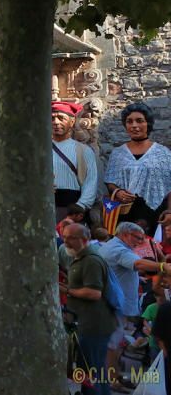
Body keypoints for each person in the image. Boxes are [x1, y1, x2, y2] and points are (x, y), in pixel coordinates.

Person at [99, 221, 167, 391]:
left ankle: (115, 377)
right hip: (113, 305)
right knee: (112, 343)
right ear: (125, 234)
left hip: (114, 304)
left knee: (115, 341)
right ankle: (112, 381)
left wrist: (159, 261)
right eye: (137, 238)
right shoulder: (118, 249)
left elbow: (138, 268)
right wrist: (163, 266)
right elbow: (138, 264)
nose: (139, 242)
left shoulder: (117, 247)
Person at [60, 223, 115, 395]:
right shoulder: (80, 258)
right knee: (92, 371)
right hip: (85, 324)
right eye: (64, 236)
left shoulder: (91, 260)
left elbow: (94, 293)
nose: (65, 241)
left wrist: (67, 290)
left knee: (91, 373)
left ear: (84, 239)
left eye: (70, 238)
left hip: (94, 326)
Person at [105, 103, 171, 234]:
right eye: (129, 122)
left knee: (153, 250)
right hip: (124, 211)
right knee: (126, 249)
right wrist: (117, 191)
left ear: (148, 124)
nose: (134, 125)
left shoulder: (163, 153)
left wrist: (170, 211)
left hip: (155, 213)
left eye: (140, 121)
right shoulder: (118, 154)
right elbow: (110, 180)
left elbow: (169, 186)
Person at [52, 101, 100, 224]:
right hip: (45, 206)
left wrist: (80, 207)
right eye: (52, 118)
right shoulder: (40, 150)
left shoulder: (83, 150)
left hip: (73, 208)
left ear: (72, 122)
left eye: (61, 118)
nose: (56, 122)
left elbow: (91, 181)